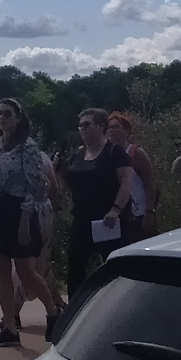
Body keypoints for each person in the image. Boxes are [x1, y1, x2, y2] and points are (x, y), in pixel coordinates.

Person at [0, 98, 60, 348]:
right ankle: (10, 327)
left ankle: (53, 311)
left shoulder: (27, 147)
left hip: (20, 209)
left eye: (8, 113)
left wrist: (26, 219)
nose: (2, 118)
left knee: (25, 269)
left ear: (18, 118)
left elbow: (37, 186)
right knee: (0, 269)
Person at [58, 108, 134, 299]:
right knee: (75, 265)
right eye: (80, 126)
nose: (82, 129)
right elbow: (71, 185)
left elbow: (126, 182)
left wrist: (115, 210)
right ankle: (75, 311)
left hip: (108, 219)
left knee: (112, 264)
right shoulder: (78, 154)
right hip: (82, 217)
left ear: (101, 126)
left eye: (87, 125)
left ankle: (118, 303)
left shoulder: (114, 152)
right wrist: (59, 171)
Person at [106, 112, 159, 239]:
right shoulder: (106, 155)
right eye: (109, 127)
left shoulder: (136, 153)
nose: (111, 130)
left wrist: (149, 211)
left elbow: (150, 183)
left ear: (126, 130)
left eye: (116, 127)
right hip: (116, 214)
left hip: (138, 212)